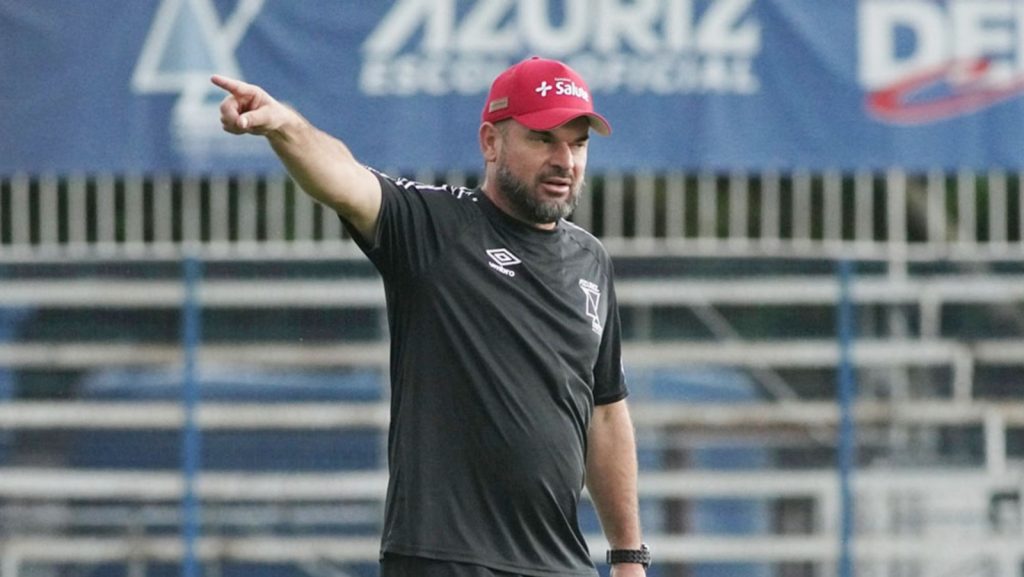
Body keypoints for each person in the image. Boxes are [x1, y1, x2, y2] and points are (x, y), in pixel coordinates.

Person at [211, 56, 649, 577]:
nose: (565, 160)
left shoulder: (591, 260)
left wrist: (628, 558)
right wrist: (284, 124)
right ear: (491, 142)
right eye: (542, 139)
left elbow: (606, 413)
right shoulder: (436, 227)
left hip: (558, 563)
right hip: (444, 558)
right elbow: (343, 179)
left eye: (577, 143)